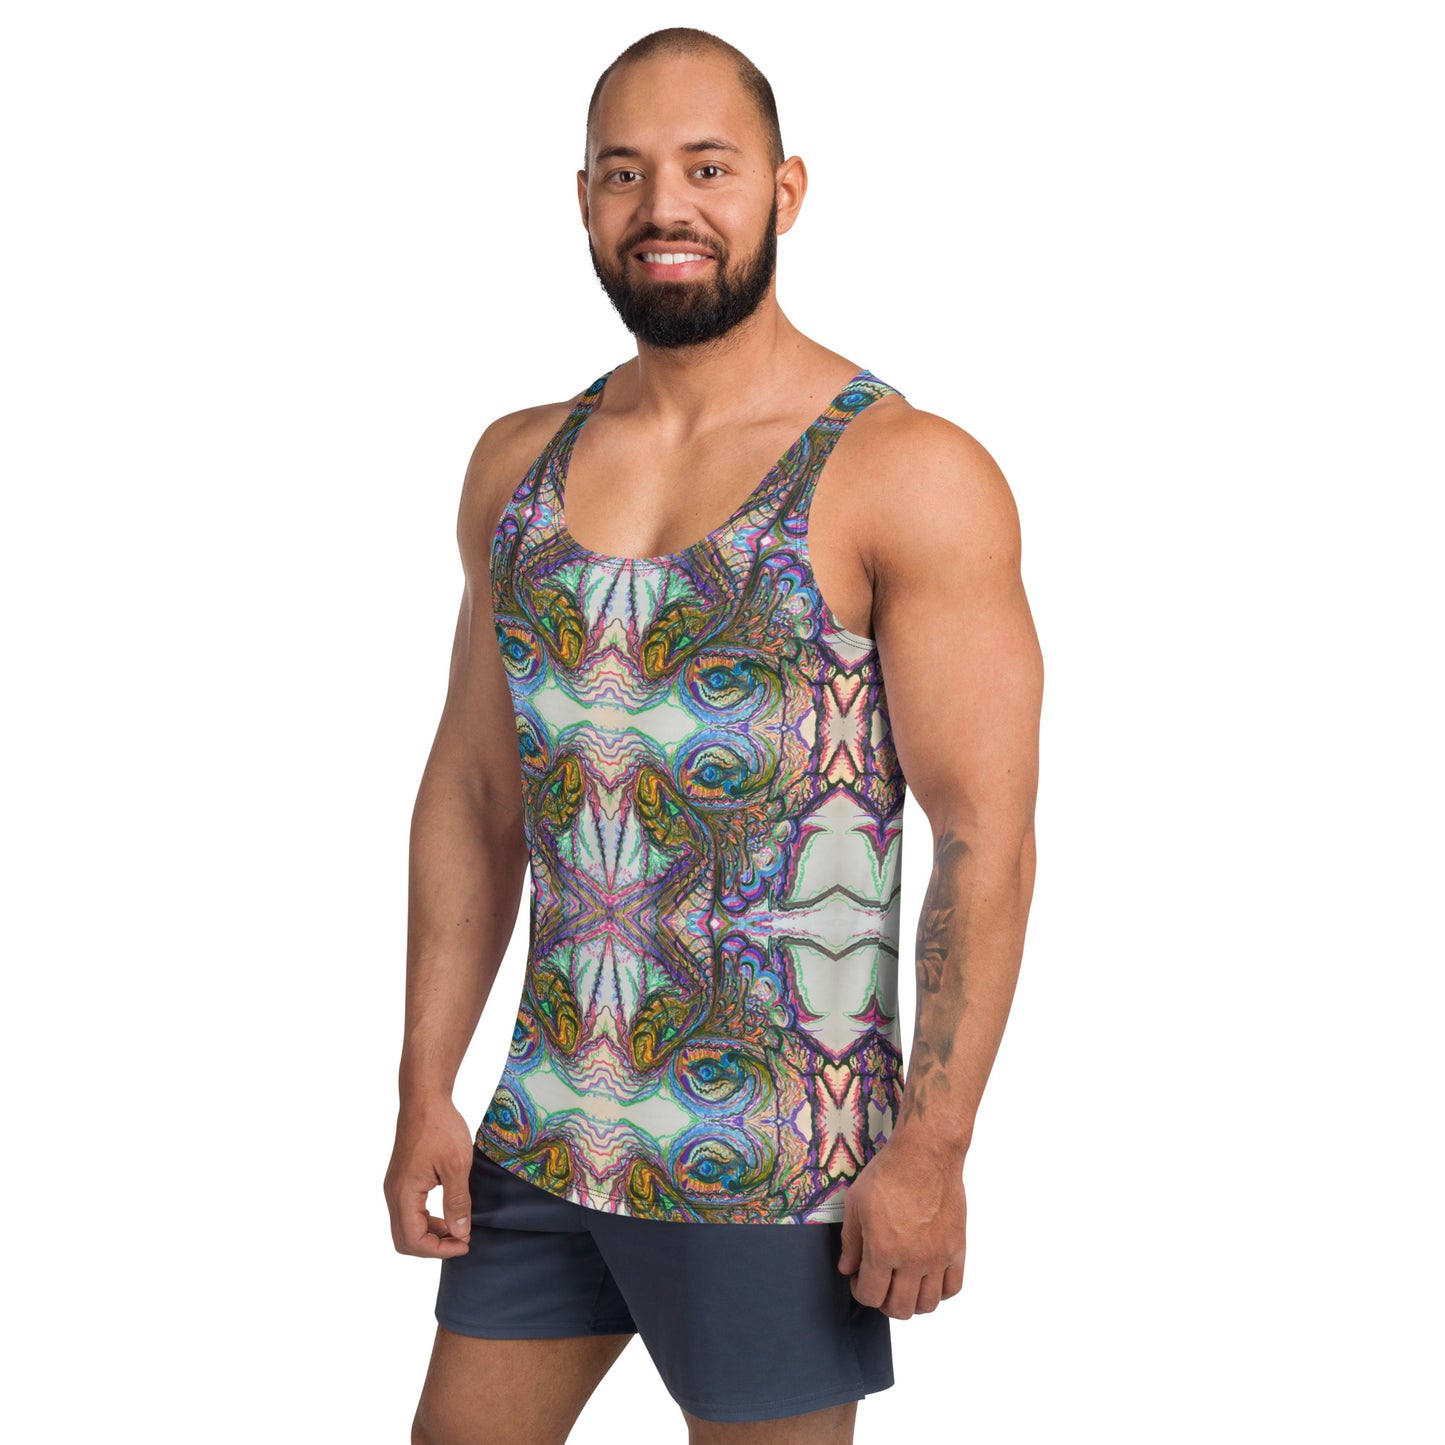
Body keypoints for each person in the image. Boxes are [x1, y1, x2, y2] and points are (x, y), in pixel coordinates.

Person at [384, 26, 1043, 1445]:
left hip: (776, 1163)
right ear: (583, 199)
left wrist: (932, 1144)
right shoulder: (517, 464)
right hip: (547, 1128)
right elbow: (476, 791)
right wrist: (424, 1081)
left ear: (784, 191)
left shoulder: (904, 470)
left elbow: (983, 832)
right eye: (625, 172)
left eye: (707, 167)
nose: (663, 206)